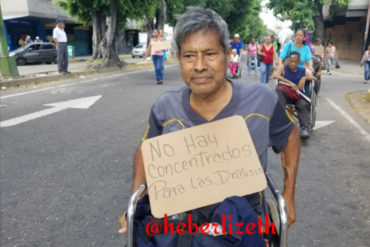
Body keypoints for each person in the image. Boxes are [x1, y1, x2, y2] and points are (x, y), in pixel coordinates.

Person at [119, 7, 300, 246]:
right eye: (189, 56)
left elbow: (290, 136)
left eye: (210, 53)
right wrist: (137, 198)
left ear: (227, 54)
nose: (200, 65)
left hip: (242, 223)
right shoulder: (166, 106)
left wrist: (288, 194)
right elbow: (147, 149)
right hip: (178, 221)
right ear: (179, 59)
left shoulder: (262, 100)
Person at [273, 51, 317, 139]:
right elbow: (275, 75)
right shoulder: (283, 68)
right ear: (288, 61)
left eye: (295, 62)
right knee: (279, 89)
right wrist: (289, 82)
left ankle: (304, 127)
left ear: (298, 62)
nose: (293, 63)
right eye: (291, 61)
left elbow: (315, 78)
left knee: (302, 104)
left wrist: (304, 78)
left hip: (298, 96)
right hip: (286, 96)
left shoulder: (303, 70)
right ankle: (280, 121)